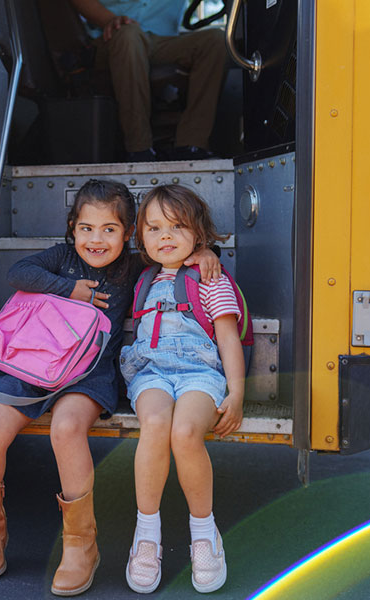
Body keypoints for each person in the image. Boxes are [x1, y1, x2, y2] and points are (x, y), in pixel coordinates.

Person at [0, 179, 221, 596]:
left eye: (109, 230)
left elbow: (174, 252)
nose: (97, 239)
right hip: (35, 362)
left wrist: (205, 253)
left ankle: (80, 544)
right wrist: (69, 288)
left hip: (89, 371)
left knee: (66, 429)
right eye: (87, 228)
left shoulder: (134, 266)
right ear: (72, 228)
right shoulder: (62, 257)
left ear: (128, 234)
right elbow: (18, 272)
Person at [119, 184, 244, 594]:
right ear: (141, 237)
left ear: (198, 235)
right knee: (155, 424)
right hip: (152, 371)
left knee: (186, 434)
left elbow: (227, 339)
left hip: (198, 374)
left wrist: (237, 393)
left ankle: (204, 534)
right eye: (154, 228)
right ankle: (147, 536)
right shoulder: (142, 280)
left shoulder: (210, 278)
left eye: (177, 226)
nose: (165, 236)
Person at [69, 0, 228, 161]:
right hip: (111, 36)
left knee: (217, 40)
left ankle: (192, 146)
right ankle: (139, 150)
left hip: (162, 40)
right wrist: (108, 20)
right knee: (128, 35)